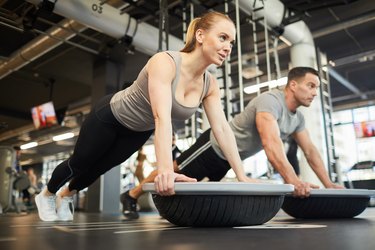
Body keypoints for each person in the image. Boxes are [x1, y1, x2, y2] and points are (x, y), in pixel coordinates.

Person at [34, 11, 255, 222]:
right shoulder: (165, 62)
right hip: (110, 117)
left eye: (231, 43)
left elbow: (222, 130)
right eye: (223, 38)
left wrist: (241, 176)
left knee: (100, 169)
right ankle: (48, 194)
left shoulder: (210, 84)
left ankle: (67, 195)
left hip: (137, 132)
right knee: (80, 163)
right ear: (200, 35)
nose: (228, 47)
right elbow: (162, 118)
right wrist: (166, 172)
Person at [122, 67, 345, 219]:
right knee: (172, 170)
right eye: (311, 85)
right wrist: (294, 181)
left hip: (230, 160)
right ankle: (131, 195)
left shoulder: (298, 118)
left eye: (317, 87)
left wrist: (329, 183)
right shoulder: (271, 101)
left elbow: (310, 150)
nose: (315, 92)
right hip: (212, 147)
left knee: (196, 191)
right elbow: (271, 144)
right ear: (293, 85)